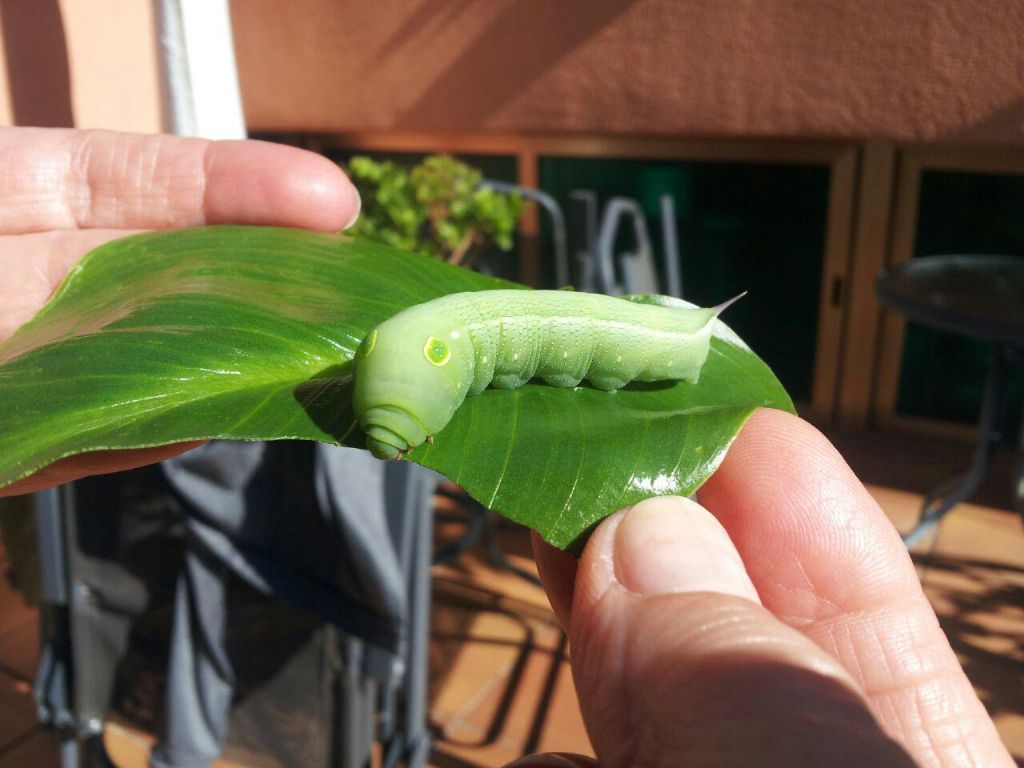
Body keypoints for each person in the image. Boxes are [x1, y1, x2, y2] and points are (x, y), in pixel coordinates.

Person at [0, 128, 1013, 768]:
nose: (396, 440)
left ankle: (678, 328)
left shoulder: (480, 348)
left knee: (643, 351)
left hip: (655, 347)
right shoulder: (443, 347)